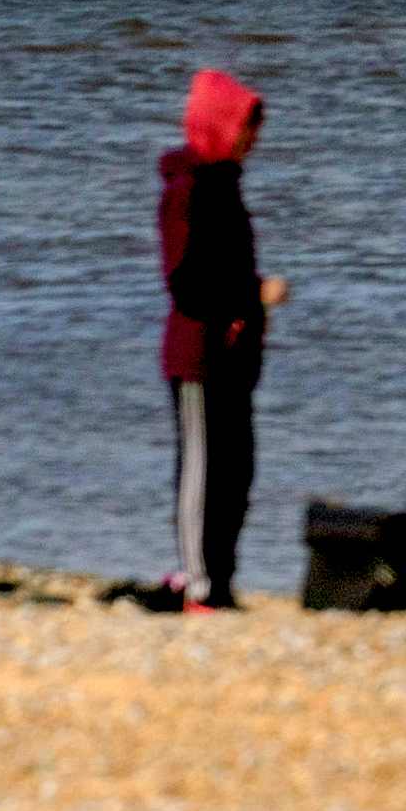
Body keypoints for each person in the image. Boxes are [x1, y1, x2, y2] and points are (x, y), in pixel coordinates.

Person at [158, 67, 289, 613]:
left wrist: (251, 310)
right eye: (245, 128)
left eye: (255, 130)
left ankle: (222, 581)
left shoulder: (226, 186)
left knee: (238, 472)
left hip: (234, 359)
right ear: (218, 125)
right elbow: (185, 283)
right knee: (203, 474)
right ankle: (199, 584)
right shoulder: (186, 191)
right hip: (197, 359)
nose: (252, 140)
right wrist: (253, 293)